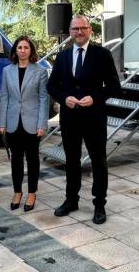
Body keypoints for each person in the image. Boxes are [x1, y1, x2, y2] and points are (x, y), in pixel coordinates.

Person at [46, 15, 120, 224]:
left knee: (99, 161)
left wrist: (95, 98)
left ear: (90, 31)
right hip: (70, 118)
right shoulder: (62, 57)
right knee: (71, 161)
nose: (79, 32)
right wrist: (63, 98)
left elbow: (115, 86)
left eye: (82, 28)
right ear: (70, 32)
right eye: (75, 28)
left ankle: (99, 205)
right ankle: (71, 200)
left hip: (94, 117)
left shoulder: (102, 54)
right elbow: (52, 86)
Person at [0, 36, 49, 212]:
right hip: (13, 123)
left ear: (31, 51)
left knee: (33, 160)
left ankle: (32, 192)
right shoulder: (7, 71)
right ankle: (17, 192)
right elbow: (4, 97)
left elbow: (43, 99)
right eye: (19, 47)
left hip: (33, 123)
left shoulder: (41, 71)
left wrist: (42, 124)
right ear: (15, 51)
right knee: (16, 160)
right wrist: (2, 122)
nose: (22, 50)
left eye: (26, 47)